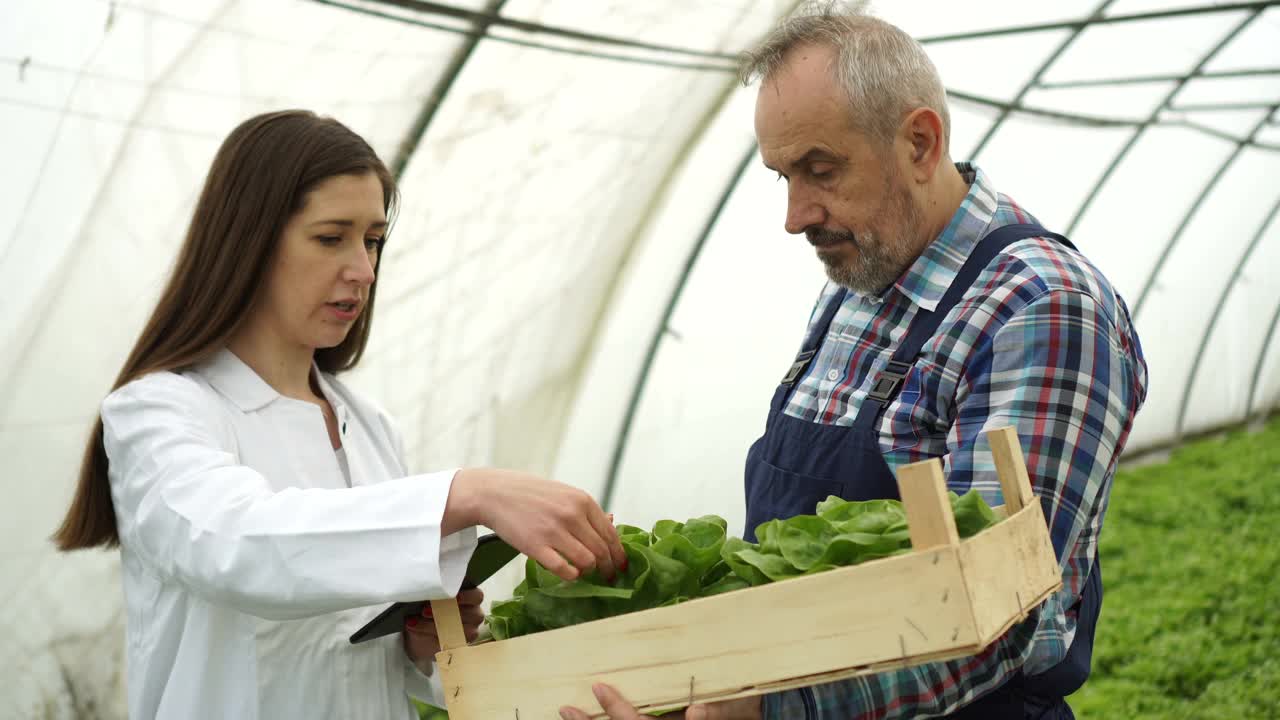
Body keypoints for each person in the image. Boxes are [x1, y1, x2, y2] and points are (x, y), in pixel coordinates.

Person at [561, 4, 1147, 720]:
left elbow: (998, 618)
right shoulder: (862, 278)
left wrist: (767, 709)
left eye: (820, 169)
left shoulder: (1043, 308)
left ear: (921, 142)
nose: (796, 214)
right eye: (783, 177)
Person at [53, 109, 627, 720]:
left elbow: (358, 660)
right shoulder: (157, 413)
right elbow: (237, 545)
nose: (363, 269)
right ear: (248, 240)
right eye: (332, 238)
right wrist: (466, 493)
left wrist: (418, 644)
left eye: (373, 240)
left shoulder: (370, 425)